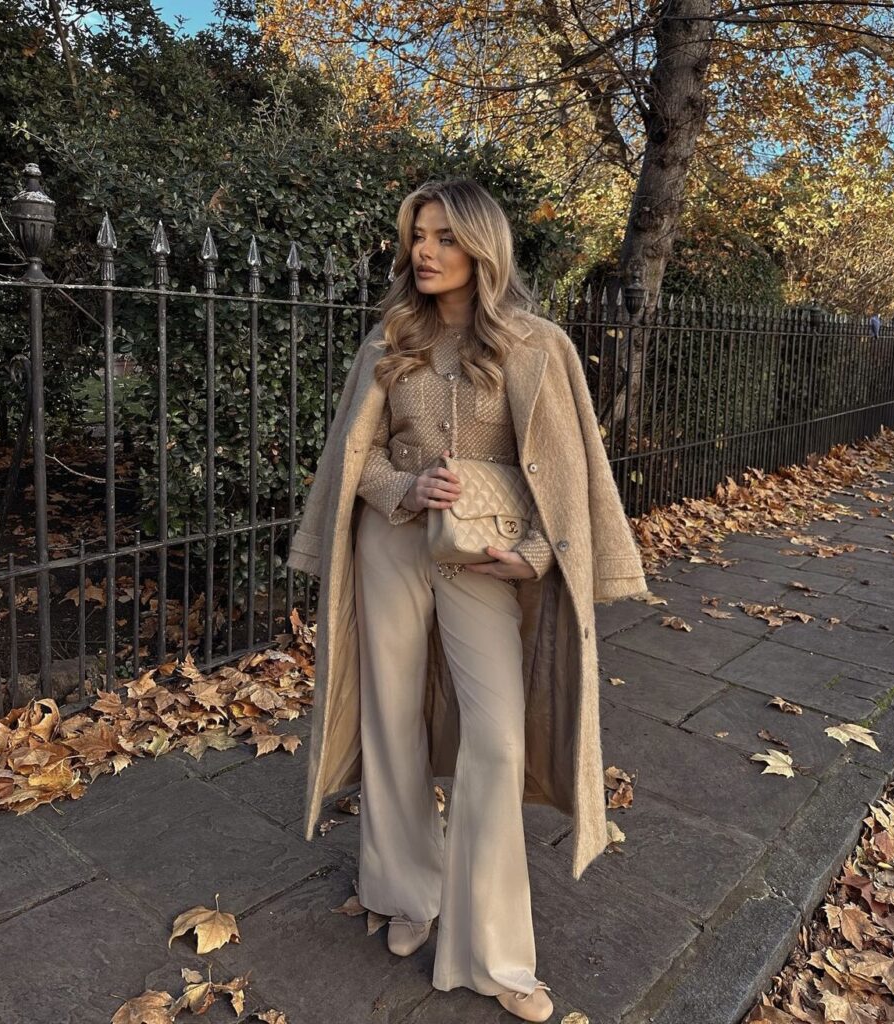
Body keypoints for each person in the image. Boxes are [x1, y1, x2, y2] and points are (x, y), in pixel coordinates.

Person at [286, 178, 649, 1022]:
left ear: (482, 246)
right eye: (417, 234)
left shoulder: (536, 344)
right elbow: (355, 460)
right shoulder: (391, 339)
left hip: (482, 559)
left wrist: (533, 553)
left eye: (445, 237)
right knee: (390, 713)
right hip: (393, 542)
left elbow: (562, 471)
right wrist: (407, 487)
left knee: (496, 735)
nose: (425, 251)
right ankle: (407, 891)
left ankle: (495, 955)